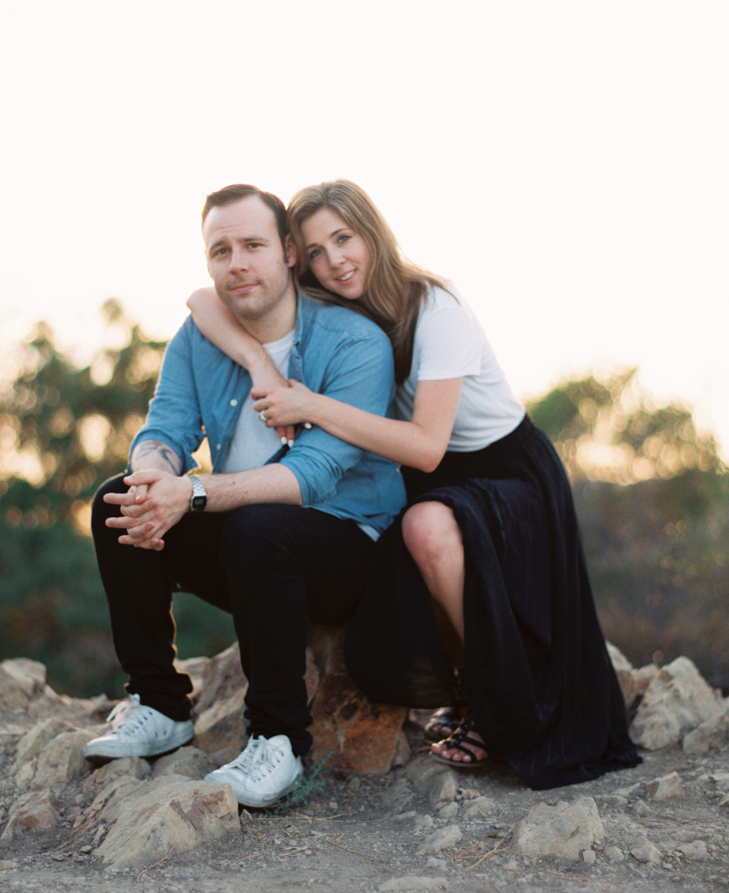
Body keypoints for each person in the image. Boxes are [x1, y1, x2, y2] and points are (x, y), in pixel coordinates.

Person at [186, 180, 641, 790]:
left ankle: (497, 702)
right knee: (401, 547)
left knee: (424, 528)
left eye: (344, 239)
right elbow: (202, 300)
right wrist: (262, 365)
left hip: (503, 472)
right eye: (316, 250)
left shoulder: (436, 310)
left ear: (374, 234)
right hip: (431, 474)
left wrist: (309, 403)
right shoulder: (331, 306)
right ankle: (461, 689)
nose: (333, 260)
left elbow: (428, 447)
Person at [85, 184, 405, 808]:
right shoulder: (201, 335)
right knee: (116, 502)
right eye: (220, 250)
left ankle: (277, 741)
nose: (237, 264)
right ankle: (159, 704)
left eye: (253, 246)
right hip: (248, 545)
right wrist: (154, 476)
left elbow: (312, 475)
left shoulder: (354, 343)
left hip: (344, 549)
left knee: (261, 526)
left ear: (289, 251)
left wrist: (194, 492)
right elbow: (167, 427)